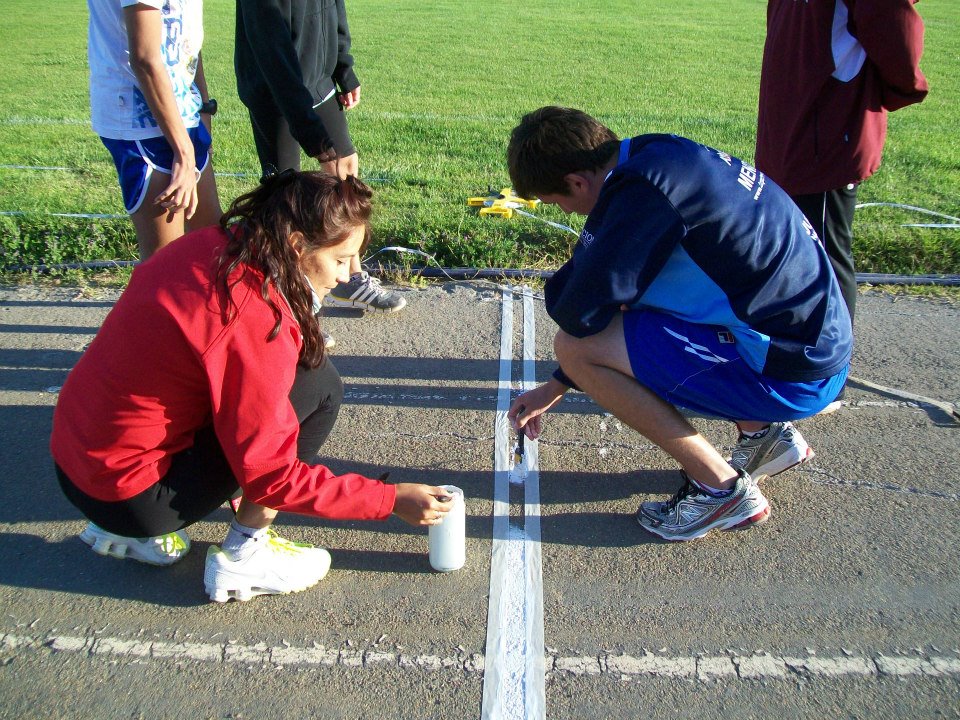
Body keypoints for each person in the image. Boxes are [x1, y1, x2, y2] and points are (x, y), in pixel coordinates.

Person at [50, 172, 452, 602]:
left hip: (75, 462)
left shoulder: (215, 243)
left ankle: (124, 532)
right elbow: (273, 478)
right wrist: (388, 499)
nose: (348, 276)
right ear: (297, 246)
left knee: (291, 380)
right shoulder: (254, 317)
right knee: (320, 388)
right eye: (341, 259)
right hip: (130, 496)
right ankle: (244, 556)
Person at [505, 107, 852, 542]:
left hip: (792, 374)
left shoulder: (643, 197)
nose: (569, 212)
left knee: (574, 348)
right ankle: (763, 435)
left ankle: (720, 490)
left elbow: (579, 313)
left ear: (577, 181)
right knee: (645, 305)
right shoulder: (656, 152)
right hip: (812, 345)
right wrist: (555, 386)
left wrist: (567, 368)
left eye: (558, 202)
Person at [756, 0, 928, 324]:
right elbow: (897, 33)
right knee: (821, 259)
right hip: (821, 128)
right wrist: (901, 90)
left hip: (794, 124)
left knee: (803, 254)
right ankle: (828, 364)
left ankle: (821, 360)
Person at [234, 0, 404, 319]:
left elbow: (334, 10)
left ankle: (349, 277)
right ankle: (287, 306)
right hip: (276, 91)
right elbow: (272, 53)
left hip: (318, 81)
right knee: (284, 199)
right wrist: (306, 127)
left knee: (345, 170)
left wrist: (344, 68)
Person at [87, 0, 223, 259]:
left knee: (213, 245)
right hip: (144, 124)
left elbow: (187, 36)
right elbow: (145, 59)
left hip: (185, 116)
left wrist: (204, 107)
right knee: (166, 264)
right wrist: (184, 153)